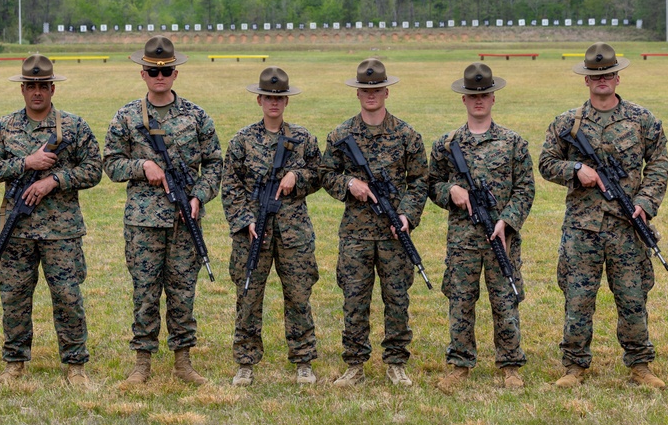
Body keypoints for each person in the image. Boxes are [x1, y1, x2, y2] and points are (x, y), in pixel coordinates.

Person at [538, 43, 668, 389]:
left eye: (608, 74)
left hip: (628, 226)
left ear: (617, 77)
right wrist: (576, 168)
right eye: (595, 75)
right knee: (578, 298)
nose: (602, 80)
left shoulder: (643, 120)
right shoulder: (567, 122)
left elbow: (658, 165)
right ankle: (574, 367)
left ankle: (641, 365)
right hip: (583, 227)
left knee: (633, 297)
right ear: (586, 80)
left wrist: (646, 202)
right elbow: (546, 163)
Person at [103, 36, 222, 385]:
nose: (160, 77)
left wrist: (200, 195)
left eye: (166, 71)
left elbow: (215, 163)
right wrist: (142, 166)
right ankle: (142, 363)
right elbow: (110, 164)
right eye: (153, 72)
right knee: (145, 291)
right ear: (142, 74)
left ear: (175, 74)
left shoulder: (196, 117)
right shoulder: (127, 117)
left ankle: (183, 362)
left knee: (183, 290)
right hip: (143, 221)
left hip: (186, 220)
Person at [0, 54, 101, 386]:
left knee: (67, 296)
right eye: (31, 86)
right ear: (22, 89)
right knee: (15, 297)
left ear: (52, 89)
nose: (37, 92)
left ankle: (76, 365)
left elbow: (94, 169)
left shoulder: (73, 127)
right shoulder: (4, 128)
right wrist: (25, 163)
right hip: (16, 230)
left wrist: (54, 180)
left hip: (61, 231)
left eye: (43, 86)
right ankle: (14, 364)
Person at [319, 58, 428, 387]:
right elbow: (325, 173)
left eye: (376, 89)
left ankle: (396, 363)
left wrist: (407, 214)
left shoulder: (407, 135)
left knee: (397, 298)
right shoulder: (341, 134)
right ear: (358, 93)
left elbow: (420, 180)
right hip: (356, 233)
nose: (371, 94)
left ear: (386, 92)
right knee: (354, 298)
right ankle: (354, 365)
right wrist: (349, 185)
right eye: (365, 89)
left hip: (395, 233)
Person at [428, 63, 534, 390]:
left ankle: (510, 365)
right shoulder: (446, 145)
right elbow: (432, 184)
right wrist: (451, 191)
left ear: (492, 98)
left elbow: (525, 188)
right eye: (473, 95)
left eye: (484, 94)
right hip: (462, 240)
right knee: (460, 300)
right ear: (463, 99)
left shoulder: (513, 142)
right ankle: (459, 364)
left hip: (501, 238)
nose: (478, 100)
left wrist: (507, 220)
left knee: (505, 301)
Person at [221, 67, 322, 386]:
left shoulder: (303, 139)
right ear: (259, 100)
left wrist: (298, 177)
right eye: (268, 97)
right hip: (254, 233)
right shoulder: (242, 140)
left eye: (280, 97)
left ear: (286, 101)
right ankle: (246, 361)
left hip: (294, 233)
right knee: (248, 295)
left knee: (298, 295)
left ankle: (304, 359)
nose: (274, 103)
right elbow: (230, 185)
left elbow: (322, 173)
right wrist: (244, 220)